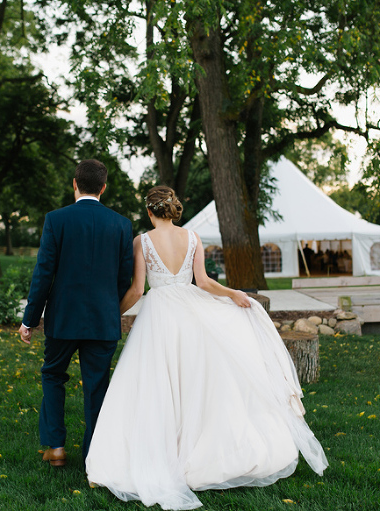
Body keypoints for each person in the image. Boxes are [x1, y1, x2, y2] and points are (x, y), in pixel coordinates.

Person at [85, 186, 328, 510]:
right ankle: (200, 451)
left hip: (158, 315)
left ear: (149, 212)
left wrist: (113, 314)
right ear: (173, 209)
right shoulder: (194, 238)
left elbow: (137, 289)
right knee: (195, 380)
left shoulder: (141, 242)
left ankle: (163, 449)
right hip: (189, 312)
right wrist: (232, 294)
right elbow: (204, 282)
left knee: (157, 382)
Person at [18, 159, 134, 467]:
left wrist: (29, 319)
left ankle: (55, 446)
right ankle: (94, 455)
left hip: (63, 318)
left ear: (74, 184)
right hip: (102, 320)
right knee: (97, 385)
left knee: (53, 375)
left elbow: (44, 273)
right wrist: (110, 307)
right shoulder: (121, 224)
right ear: (103, 188)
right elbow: (125, 278)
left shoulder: (56, 220)